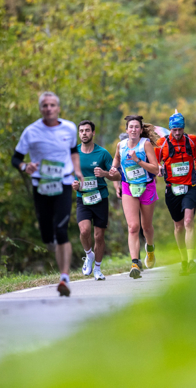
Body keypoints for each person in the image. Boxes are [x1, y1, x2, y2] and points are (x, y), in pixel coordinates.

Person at [11, 91, 83, 297]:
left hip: (63, 182)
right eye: (45, 105)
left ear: (58, 108)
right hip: (41, 184)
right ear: (40, 109)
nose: (49, 108)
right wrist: (25, 166)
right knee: (46, 232)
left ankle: (64, 277)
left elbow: (73, 151)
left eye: (52, 105)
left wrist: (77, 170)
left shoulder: (69, 128)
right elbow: (15, 158)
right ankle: (52, 244)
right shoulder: (31, 131)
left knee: (61, 229)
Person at [109, 115, 160, 279]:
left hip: (147, 187)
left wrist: (138, 160)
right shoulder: (120, 145)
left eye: (136, 127)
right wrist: (112, 171)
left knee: (146, 226)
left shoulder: (145, 145)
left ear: (140, 130)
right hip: (129, 187)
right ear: (126, 130)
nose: (133, 129)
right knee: (133, 227)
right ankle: (135, 262)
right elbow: (116, 163)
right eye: (130, 127)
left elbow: (155, 169)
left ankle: (150, 249)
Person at [156, 110, 196, 276]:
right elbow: (154, 163)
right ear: (170, 129)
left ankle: (191, 261)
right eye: (174, 130)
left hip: (191, 186)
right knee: (178, 226)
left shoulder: (192, 140)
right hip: (172, 189)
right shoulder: (161, 143)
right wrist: (158, 169)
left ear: (184, 128)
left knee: (188, 221)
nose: (177, 133)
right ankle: (184, 261)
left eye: (180, 130)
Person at [73, 120, 119, 281]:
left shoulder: (103, 153)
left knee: (99, 236)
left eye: (87, 130)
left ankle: (98, 269)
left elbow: (118, 175)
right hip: (83, 198)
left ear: (93, 133)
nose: (84, 133)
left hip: (100, 198)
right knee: (84, 231)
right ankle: (89, 255)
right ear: (79, 134)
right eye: (81, 131)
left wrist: (105, 174)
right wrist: (73, 184)